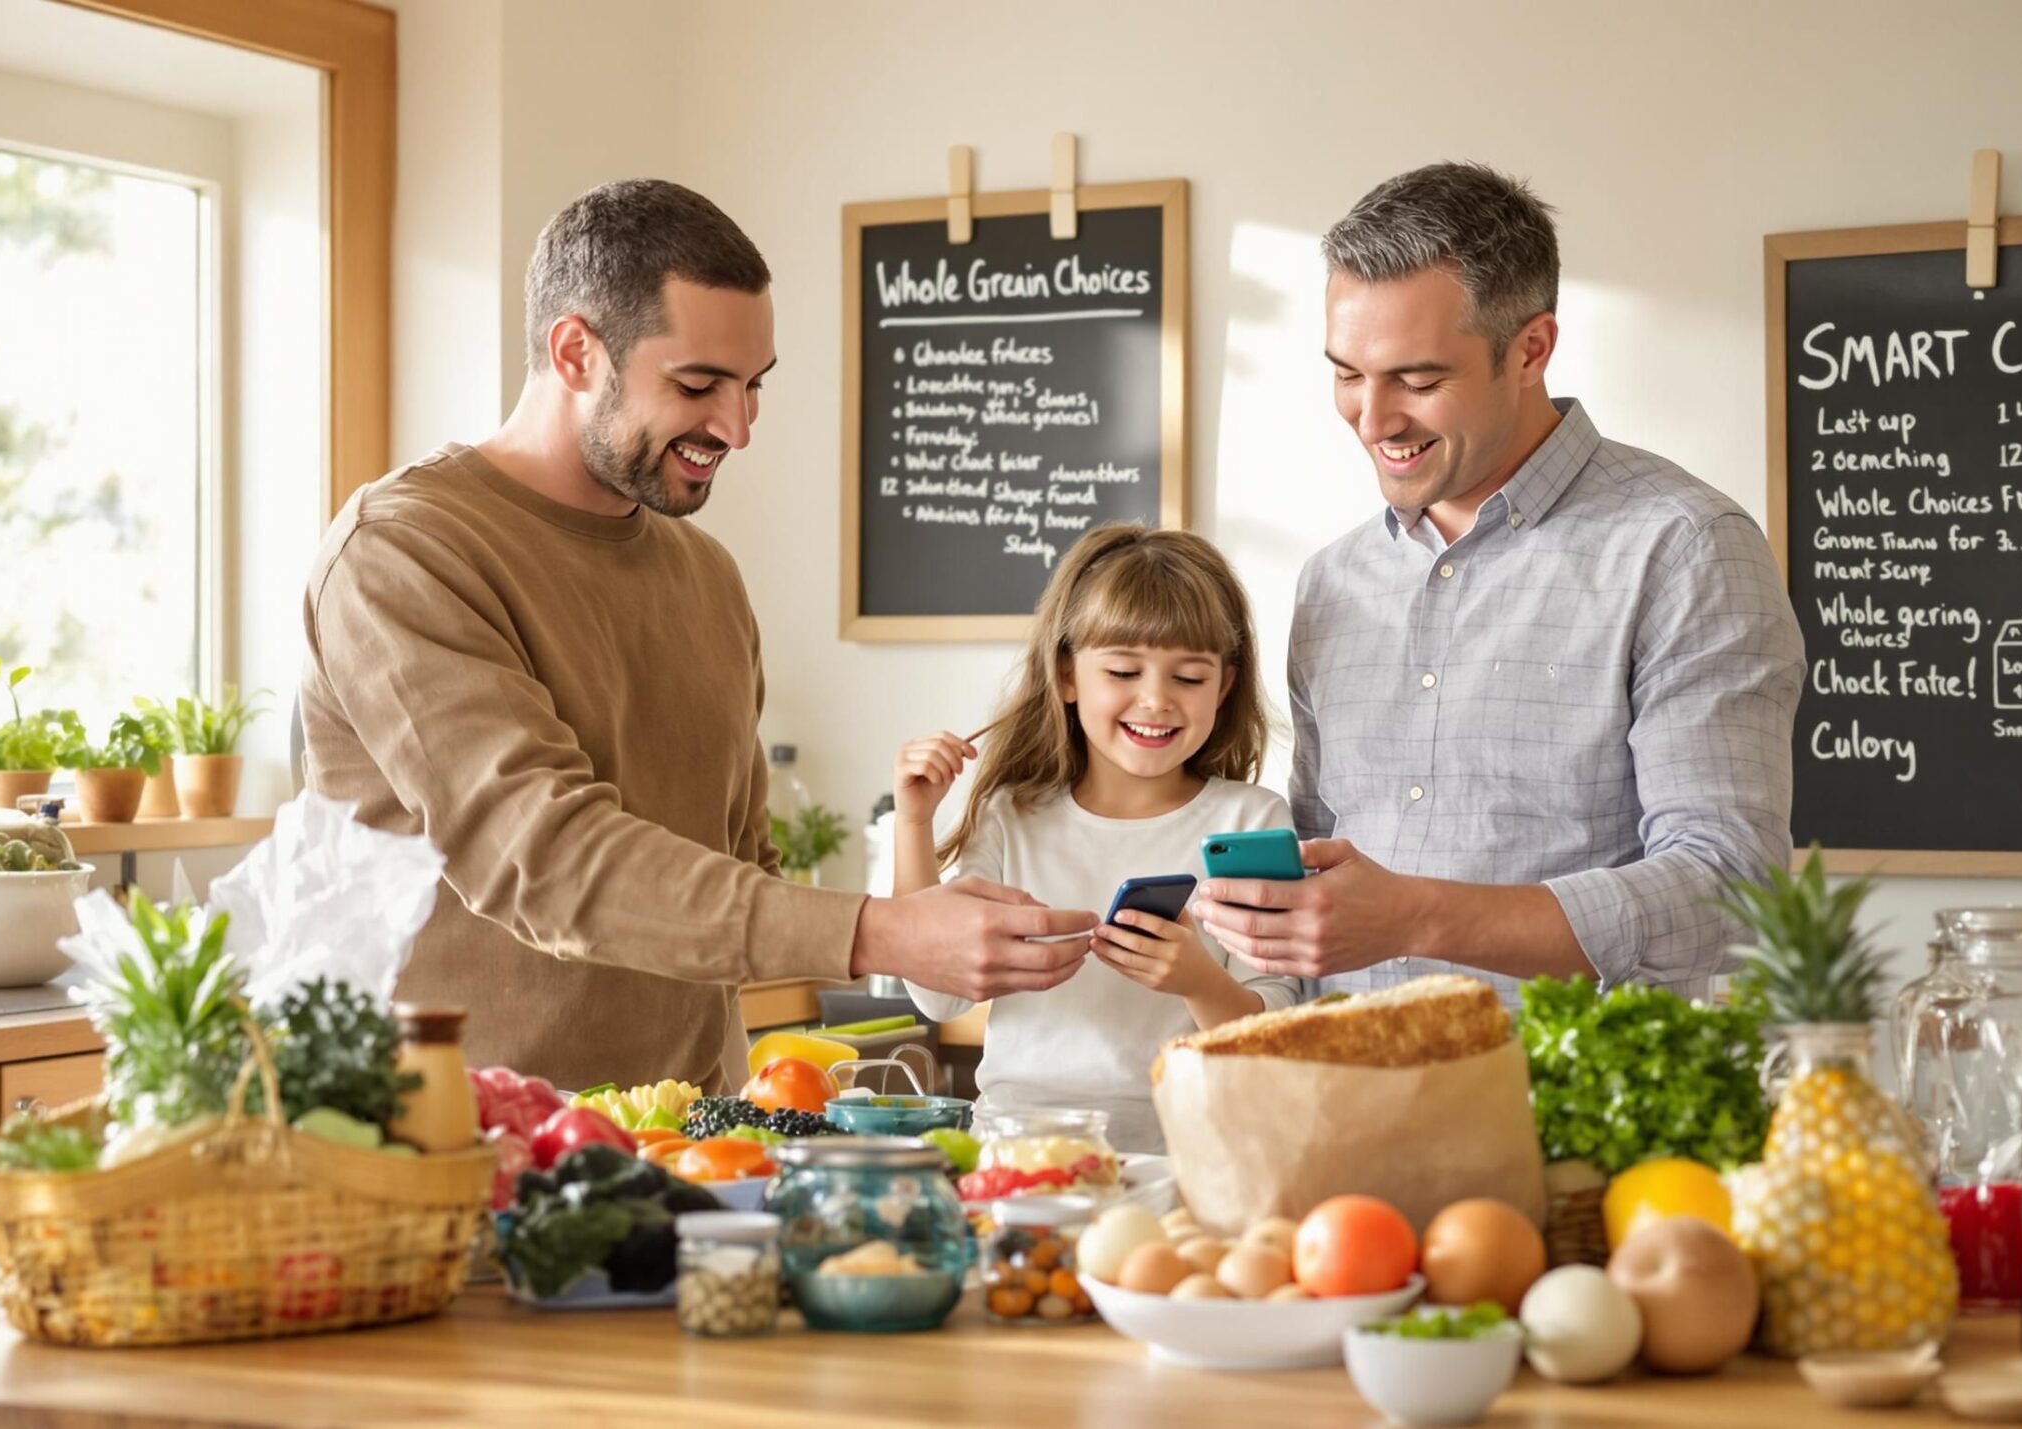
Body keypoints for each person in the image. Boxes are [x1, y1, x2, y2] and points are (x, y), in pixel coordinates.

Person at [300, 180, 1096, 1096]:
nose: (737, 427)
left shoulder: (707, 577)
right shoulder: (405, 552)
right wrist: (882, 928)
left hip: (695, 1146)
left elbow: (741, 867)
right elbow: (548, 861)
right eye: (698, 384)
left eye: (752, 385)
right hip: (459, 1148)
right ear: (575, 353)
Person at [1193, 161, 1803, 1002]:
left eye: (1419, 378)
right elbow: (1317, 868)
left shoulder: (1685, 550)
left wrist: (1417, 915)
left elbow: (1729, 888)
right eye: (1346, 374)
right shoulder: (1334, 580)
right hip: (1345, 1099)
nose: (1372, 421)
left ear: (1531, 348)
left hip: (1576, 1117)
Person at [892, 524, 1300, 1153]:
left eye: (1188, 678)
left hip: (1187, 1158)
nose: (1156, 700)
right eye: (1123, 670)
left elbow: (1274, 1046)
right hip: (1015, 1153)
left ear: (1223, 686)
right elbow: (939, 995)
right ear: (1066, 675)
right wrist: (914, 824)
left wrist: (1199, 981)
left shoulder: (1253, 821)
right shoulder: (1012, 815)